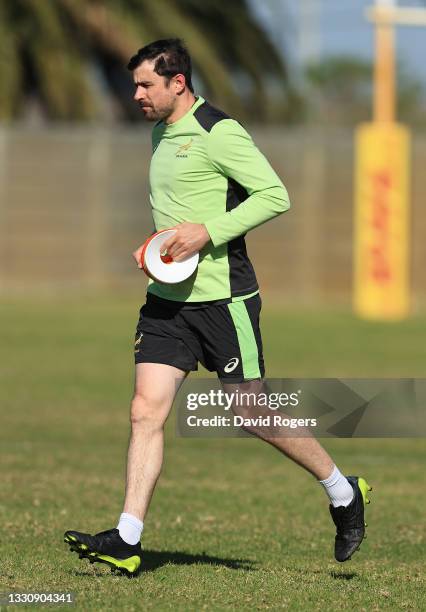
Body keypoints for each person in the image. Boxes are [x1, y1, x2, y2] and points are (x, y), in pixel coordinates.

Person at [64, 39, 372, 577]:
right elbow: (179, 214)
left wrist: (207, 233)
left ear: (176, 82)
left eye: (145, 85)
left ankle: (343, 492)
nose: (135, 94)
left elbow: (274, 195)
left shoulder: (219, 132)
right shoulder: (160, 131)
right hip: (167, 304)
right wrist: (156, 251)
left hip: (223, 301)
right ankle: (128, 538)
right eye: (135, 84)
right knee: (145, 410)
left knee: (249, 411)